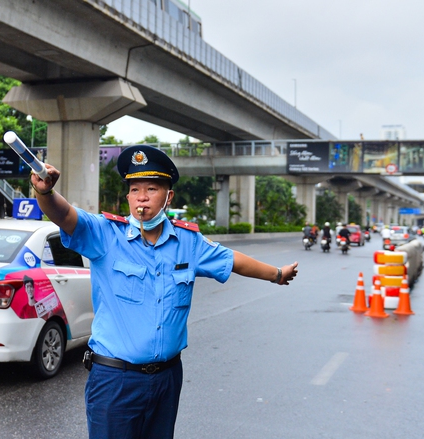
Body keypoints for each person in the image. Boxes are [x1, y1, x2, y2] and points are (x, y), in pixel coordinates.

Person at [30, 145, 299, 438]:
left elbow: (232, 260)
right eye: (134, 189)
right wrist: (45, 193)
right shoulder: (106, 235)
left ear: (168, 196)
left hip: (167, 378)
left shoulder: (188, 242)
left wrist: (277, 275)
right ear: (128, 196)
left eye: (151, 188)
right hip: (115, 380)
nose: (141, 197)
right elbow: (64, 214)